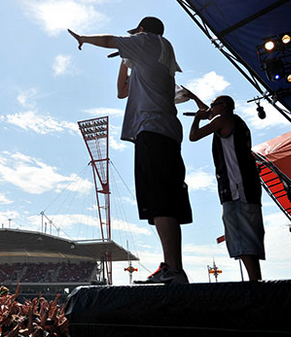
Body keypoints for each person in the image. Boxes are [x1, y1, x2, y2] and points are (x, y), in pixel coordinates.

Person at [69, 16, 192, 284]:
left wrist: (84, 39)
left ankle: (173, 269)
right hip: (164, 131)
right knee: (165, 203)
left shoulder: (149, 41)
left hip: (153, 129)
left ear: (143, 31)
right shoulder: (156, 58)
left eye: (135, 34)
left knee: (161, 202)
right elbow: (121, 92)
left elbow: (109, 40)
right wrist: (126, 63)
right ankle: (174, 267)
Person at [185, 90, 265, 281]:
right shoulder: (235, 121)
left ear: (223, 106)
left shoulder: (222, 119)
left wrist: (196, 118)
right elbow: (208, 111)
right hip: (248, 185)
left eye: (214, 105)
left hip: (236, 187)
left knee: (241, 234)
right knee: (250, 234)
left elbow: (194, 136)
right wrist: (194, 97)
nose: (210, 109)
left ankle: (255, 283)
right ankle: (257, 281)